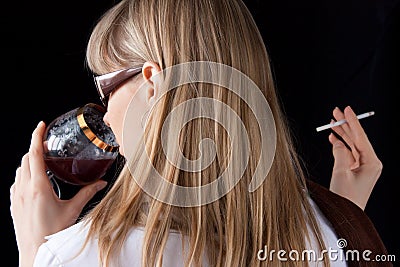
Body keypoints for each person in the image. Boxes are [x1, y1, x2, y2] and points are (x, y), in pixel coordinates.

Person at [10, 0, 391, 266]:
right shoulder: (322, 238)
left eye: (106, 90)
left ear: (153, 84)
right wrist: (343, 213)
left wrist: (36, 252)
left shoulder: (83, 255)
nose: (105, 116)